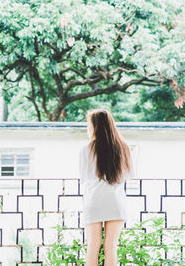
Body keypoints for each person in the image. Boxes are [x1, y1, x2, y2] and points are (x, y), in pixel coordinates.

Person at [79, 108, 136, 266]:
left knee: (93, 246)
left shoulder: (86, 149)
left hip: (94, 202)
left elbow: (83, 177)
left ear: (94, 126)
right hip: (115, 202)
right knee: (111, 247)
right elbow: (129, 175)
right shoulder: (123, 148)